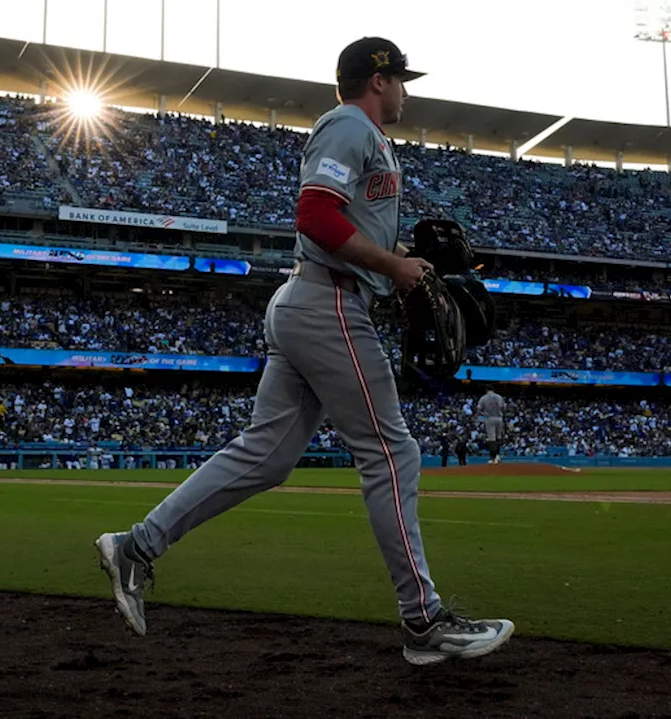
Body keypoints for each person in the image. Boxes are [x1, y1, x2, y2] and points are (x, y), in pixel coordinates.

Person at [94, 37, 513, 666]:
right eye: (400, 79)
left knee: (265, 456)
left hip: (314, 302)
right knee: (393, 451)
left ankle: (136, 546)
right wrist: (392, 265)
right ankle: (423, 621)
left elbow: (340, 217)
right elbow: (316, 215)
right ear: (377, 81)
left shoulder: (361, 134)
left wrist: (395, 262)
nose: (406, 90)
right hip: (329, 304)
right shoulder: (349, 125)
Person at [476, 387, 506, 464]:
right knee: (498, 437)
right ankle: (498, 456)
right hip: (499, 418)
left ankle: (493, 458)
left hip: (489, 418)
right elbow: (504, 408)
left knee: (491, 439)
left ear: (486, 390)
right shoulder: (499, 397)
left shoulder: (484, 398)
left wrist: (483, 414)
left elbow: (478, 409)